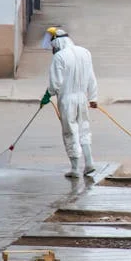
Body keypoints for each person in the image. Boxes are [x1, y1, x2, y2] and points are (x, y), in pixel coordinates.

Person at [39, 28, 99, 179]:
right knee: (84, 129)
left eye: (53, 46)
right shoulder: (85, 52)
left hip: (67, 100)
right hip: (82, 98)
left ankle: (74, 168)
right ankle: (89, 163)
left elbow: (55, 83)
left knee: (70, 132)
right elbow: (91, 77)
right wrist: (93, 98)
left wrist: (48, 94)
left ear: (57, 42)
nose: (53, 49)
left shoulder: (59, 57)